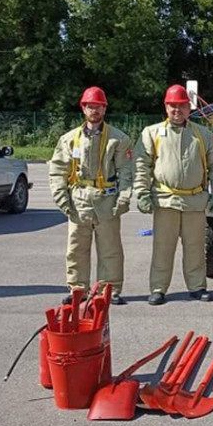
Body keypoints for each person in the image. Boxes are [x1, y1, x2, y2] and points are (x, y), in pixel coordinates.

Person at [134, 84, 213, 305]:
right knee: (163, 248)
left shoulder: (202, 135)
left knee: (195, 247)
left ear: (189, 107)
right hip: (166, 200)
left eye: (182, 106)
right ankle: (158, 288)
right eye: (173, 106)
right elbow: (141, 165)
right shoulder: (152, 133)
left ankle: (197, 286)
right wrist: (142, 192)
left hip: (194, 200)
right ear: (166, 107)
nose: (177, 110)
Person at [49, 87, 133, 305]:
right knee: (77, 247)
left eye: (98, 106)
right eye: (90, 106)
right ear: (83, 108)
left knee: (111, 248)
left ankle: (110, 290)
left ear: (104, 109)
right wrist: (62, 198)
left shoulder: (118, 139)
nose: (94, 110)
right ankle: (78, 288)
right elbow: (58, 170)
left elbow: (126, 171)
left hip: (107, 200)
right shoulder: (69, 140)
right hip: (79, 200)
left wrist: (123, 198)